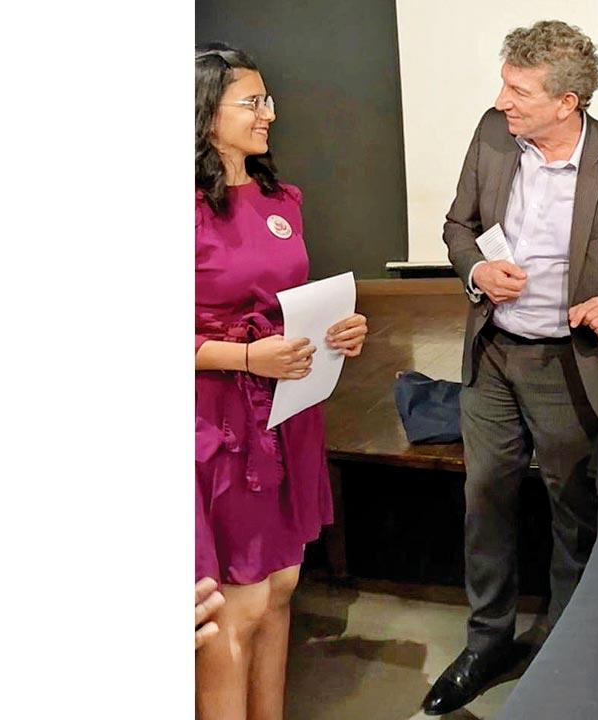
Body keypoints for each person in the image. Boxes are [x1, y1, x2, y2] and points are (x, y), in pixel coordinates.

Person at [422, 20, 598, 716]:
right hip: (496, 353)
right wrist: (475, 266)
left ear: (567, 102)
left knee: (576, 510)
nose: (502, 100)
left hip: (576, 366)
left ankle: (559, 647)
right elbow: (457, 225)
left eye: (519, 90)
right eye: (503, 84)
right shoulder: (492, 132)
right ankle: (486, 642)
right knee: (486, 499)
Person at [194, 43, 368, 719]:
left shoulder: (280, 198)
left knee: (282, 589)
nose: (270, 113)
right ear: (207, 114)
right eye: (253, 102)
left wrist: (339, 331)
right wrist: (243, 360)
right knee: (233, 607)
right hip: (215, 423)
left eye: (269, 100)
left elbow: (288, 300)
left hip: (285, 411)